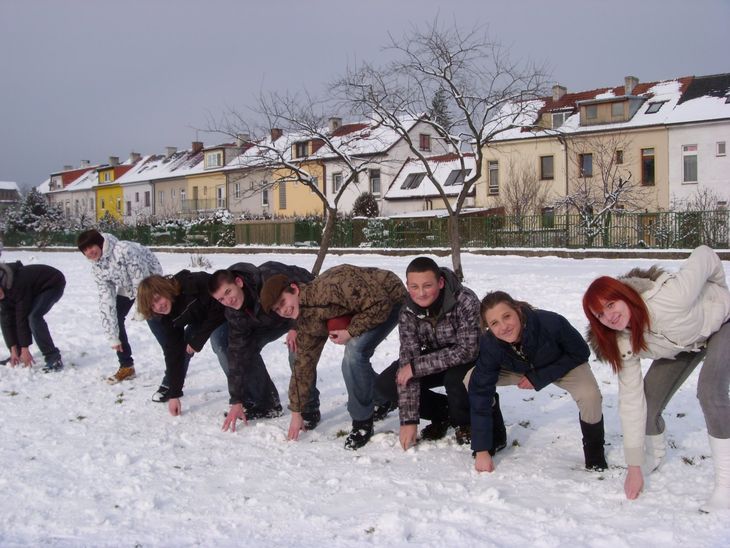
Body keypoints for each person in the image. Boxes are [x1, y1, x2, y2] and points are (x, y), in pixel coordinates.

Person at [583, 245, 730, 511]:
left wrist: (719, 293)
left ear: (624, 295)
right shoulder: (623, 339)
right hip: (685, 345)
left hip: (723, 323)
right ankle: (654, 455)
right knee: (647, 401)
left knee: (710, 391)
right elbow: (630, 399)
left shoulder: (671, 297)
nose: (610, 316)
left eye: (611, 304)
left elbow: (705, 254)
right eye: (600, 315)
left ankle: (726, 484)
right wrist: (634, 464)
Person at [261, 264, 406, 450]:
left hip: (389, 297)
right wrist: (296, 412)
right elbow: (303, 365)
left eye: (282, 302)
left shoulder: (331, 287)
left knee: (354, 354)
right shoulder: (305, 319)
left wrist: (351, 331)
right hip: (362, 306)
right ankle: (384, 396)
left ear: (295, 289)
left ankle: (362, 423)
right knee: (310, 355)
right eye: (277, 309)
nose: (283, 310)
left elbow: (380, 303)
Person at [469, 290, 607, 473]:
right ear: (488, 327)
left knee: (590, 395)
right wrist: (481, 450)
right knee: (471, 380)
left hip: (562, 365)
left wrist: (539, 377)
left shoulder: (551, 322)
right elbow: (480, 389)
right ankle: (495, 438)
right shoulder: (490, 343)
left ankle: (595, 454)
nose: (503, 327)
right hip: (519, 369)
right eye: (494, 323)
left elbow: (580, 352)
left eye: (507, 316)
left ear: (517, 310)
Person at [375, 256, 490, 450]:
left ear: (441, 282)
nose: (421, 293)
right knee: (388, 383)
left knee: (455, 380)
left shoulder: (465, 300)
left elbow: (468, 350)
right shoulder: (407, 312)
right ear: (407, 285)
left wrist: (416, 366)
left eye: (427, 285)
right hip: (434, 356)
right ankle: (442, 412)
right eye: (414, 287)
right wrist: (409, 420)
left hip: (468, 357)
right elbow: (408, 357)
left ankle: (465, 423)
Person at [209, 261, 318, 432]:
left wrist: (296, 325)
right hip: (268, 321)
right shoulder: (234, 313)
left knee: (297, 350)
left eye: (228, 292)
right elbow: (237, 354)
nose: (228, 300)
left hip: (294, 311)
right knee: (242, 350)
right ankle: (267, 404)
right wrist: (236, 399)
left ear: (239, 282)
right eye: (221, 299)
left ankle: (309, 408)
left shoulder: (269, 275)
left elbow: (308, 285)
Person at [137, 271, 228, 416]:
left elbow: (219, 308)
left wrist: (198, 340)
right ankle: (171, 386)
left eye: (157, 299)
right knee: (182, 350)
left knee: (221, 344)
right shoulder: (166, 317)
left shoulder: (191, 286)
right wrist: (175, 395)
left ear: (165, 290)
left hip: (225, 309)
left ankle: (246, 395)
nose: (158, 306)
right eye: (152, 306)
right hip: (202, 318)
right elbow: (173, 352)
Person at [77, 229, 162, 384]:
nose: (89, 252)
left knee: (155, 319)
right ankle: (127, 366)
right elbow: (105, 298)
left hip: (150, 279)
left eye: (91, 247)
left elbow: (140, 278)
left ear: (100, 243)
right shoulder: (97, 267)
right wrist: (112, 335)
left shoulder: (123, 249)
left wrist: (141, 308)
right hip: (127, 285)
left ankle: (176, 357)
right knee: (115, 315)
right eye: (85, 250)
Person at [0, 261, 66, 372]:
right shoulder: (3, 290)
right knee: (9, 316)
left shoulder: (17, 284)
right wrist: (13, 349)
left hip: (52, 283)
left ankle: (53, 358)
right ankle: (18, 355)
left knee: (34, 317)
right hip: (34, 290)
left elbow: (22, 316)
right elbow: (6, 320)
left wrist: (25, 348)